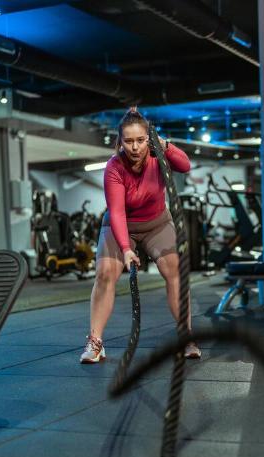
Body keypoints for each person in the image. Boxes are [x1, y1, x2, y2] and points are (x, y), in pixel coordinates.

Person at [80, 107, 201, 363]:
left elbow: (185, 165)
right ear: (119, 141)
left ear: (149, 138)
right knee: (104, 274)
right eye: (128, 141)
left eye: (140, 140)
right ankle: (95, 342)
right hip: (120, 224)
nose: (135, 147)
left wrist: (164, 144)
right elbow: (117, 212)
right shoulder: (114, 167)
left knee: (174, 270)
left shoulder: (159, 156)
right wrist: (125, 248)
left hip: (157, 223)